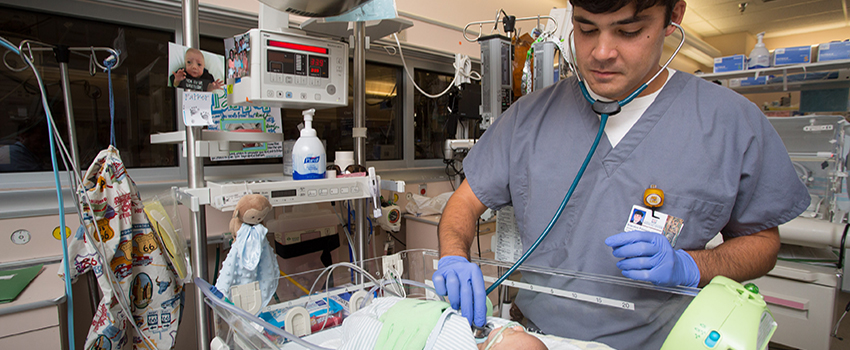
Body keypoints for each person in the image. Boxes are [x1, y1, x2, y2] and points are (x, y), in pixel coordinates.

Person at [431, 1, 809, 349]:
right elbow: (464, 201)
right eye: (587, 29)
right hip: (536, 338)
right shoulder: (528, 118)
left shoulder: (730, 124)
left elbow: (763, 243)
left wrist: (692, 266)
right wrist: (454, 257)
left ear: (672, 18)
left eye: (628, 31)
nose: (601, 52)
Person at [336, 296, 547, 350]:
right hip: (415, 313)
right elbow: (469, 311)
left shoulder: (462, 344)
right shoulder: (488, 327)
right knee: (378, 306)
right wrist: (479, 303)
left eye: (513, 334)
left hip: (394, 338)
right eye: (518, 330)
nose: (515, 328)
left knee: (359, 332)